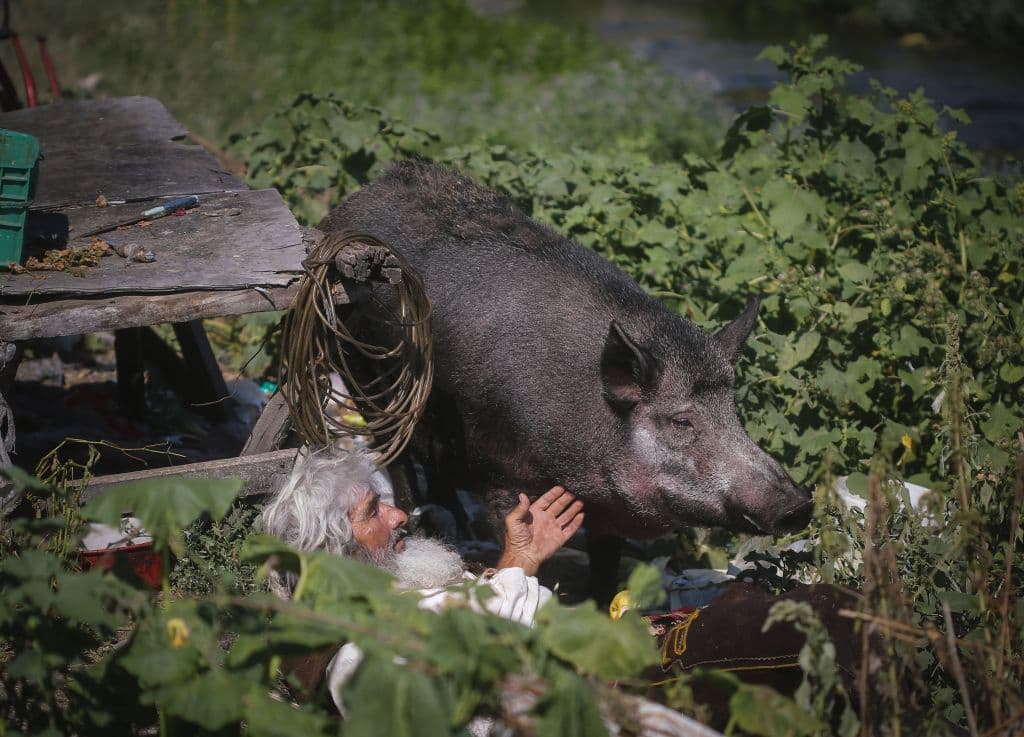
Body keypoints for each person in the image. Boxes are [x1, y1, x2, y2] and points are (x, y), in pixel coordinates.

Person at [261, 449, 585, 712]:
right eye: (373, 511)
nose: (398, 515)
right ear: (339, 552)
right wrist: (516, 566)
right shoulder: (356, 663)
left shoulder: (392, 601)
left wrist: (520, 559)